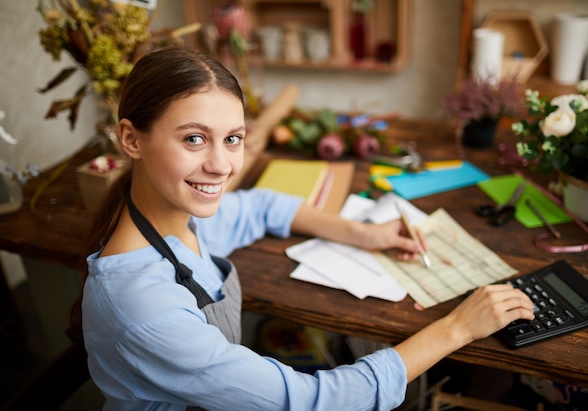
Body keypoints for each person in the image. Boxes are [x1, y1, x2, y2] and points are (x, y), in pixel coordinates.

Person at [82, 47, 534, 411]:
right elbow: (310, 401)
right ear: (131, 139)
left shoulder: (172, 221)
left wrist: (363, 233)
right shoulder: (143, 306)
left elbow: (258, 207)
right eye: (194, 138)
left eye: (232, 138)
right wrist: (456, 328)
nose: (221, 166)